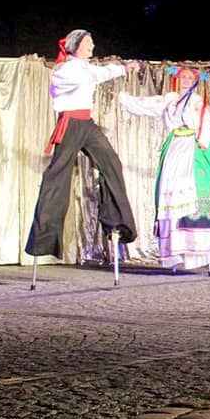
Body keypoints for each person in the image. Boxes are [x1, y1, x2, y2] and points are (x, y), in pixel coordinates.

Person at [26, 29, 140, 288]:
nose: (92, 46)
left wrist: (124, 68)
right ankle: (44, 236)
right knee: (58, 175)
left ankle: (116, 221)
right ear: (76, 46)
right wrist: (97, 74)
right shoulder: (66, 70)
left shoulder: (85, 68)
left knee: (111, 162)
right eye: (88, 43)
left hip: (86, 123)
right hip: (70, 123)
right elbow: (63, 85)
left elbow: (103, 72)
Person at [119, 66, 210, 273]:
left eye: (190, 77)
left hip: (193, 146)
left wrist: (203, 141)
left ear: (195, 81)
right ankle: (175, 248)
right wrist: (124, 98)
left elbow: (206, 121)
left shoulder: (197, 101)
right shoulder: (169, 100)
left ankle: (199, 247)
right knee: (172, 192)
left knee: (196, 189)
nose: (186, 80)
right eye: (183, 77)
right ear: (177, 79)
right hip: (175, 146)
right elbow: (146, 105)